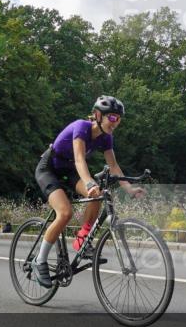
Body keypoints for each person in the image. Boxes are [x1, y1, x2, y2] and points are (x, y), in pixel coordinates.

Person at [31, 96, 146, 288]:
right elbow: (79, 159)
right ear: (98, 115)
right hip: (49, 169)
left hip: (68, 172)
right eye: (111, 118)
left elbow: (114, 165)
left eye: (118, 119)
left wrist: (129, 188)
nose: (115, 123)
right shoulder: (81, 127)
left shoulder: (107, 137)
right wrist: (89, 182)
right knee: (65, 213)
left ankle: (82, 238)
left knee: (98, 195)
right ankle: (39, 260)